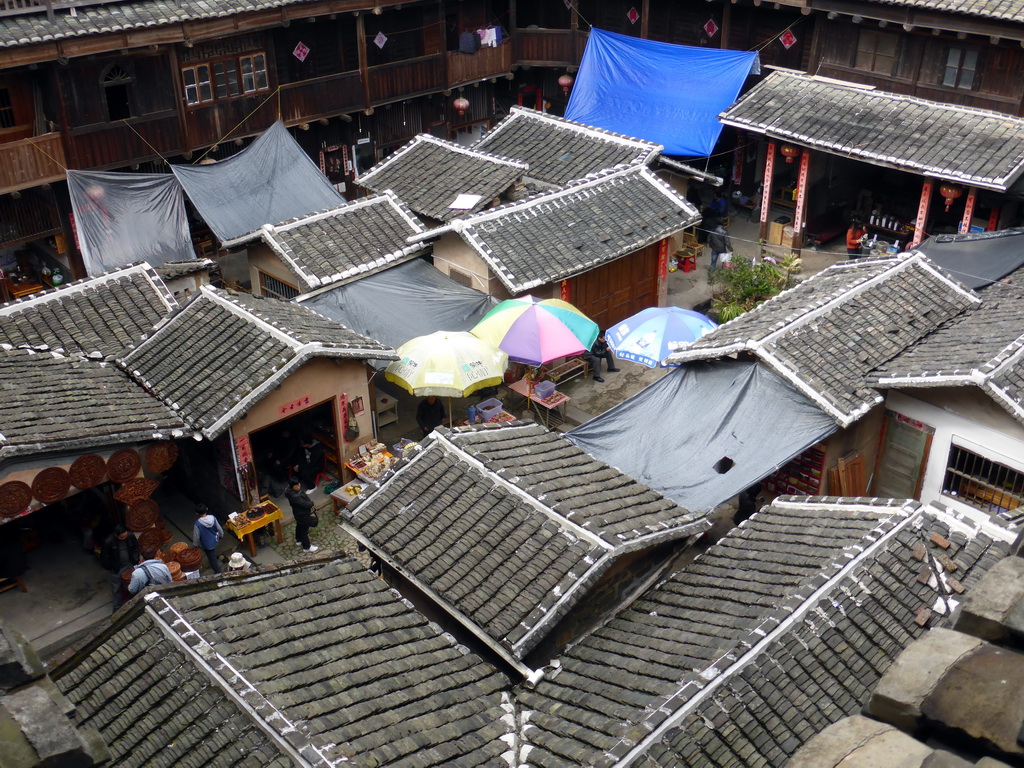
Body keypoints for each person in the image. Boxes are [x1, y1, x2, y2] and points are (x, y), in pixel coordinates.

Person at [100, 524, 140, 610]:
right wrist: (112, 567)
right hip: (117, 568)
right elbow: (104, 558)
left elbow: (136, 547)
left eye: (125, 536)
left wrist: (135, 558)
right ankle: (117, 608)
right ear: (116, 535)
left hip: (130, 564)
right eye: (122, 537)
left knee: (134, 582)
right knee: (116, 588)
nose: (124, 538)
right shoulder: (108, 542)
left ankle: (136, 602)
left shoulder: (130, 535)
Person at [285, 479, 319, 553]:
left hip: (298, 513)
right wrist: (311, 503)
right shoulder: (295, 496)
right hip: (302, 514)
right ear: (292, 487)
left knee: (299, 526)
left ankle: (299, 540)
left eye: (298, 484)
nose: (299, 486)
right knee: (304, 530)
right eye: (296, 486)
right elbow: (304, 504)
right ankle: (307, 547)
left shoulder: (292, 493)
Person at [192, 503, 224, 573]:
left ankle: (218, 571)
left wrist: (195, 545)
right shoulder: (213, 518)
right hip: (215, 539)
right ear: (206, 509)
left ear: (197, 514)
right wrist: (221, 534)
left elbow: (196, 536)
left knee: (211, 558)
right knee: (213, 550)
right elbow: (219, 528)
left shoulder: (197, 524)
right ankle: (215, 557)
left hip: (207, 544)